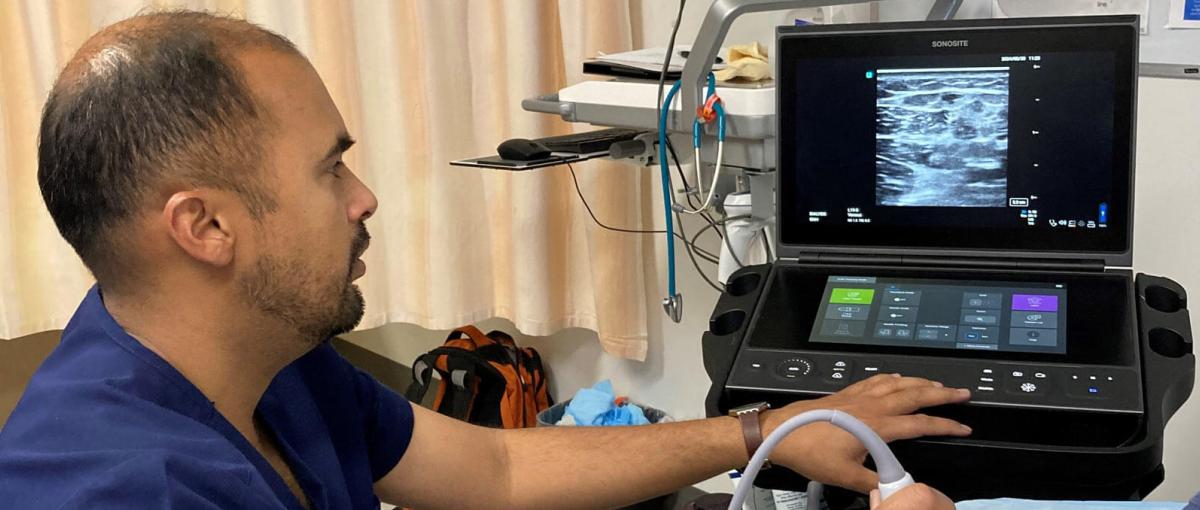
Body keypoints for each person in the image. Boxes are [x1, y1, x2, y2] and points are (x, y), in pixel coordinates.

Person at [0, 12, 970, 509]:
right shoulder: (116, 487)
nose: (364, 197)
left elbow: (498, 467)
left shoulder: (270, 366)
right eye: (329, 168)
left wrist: (767, 428)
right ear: (204, 227)